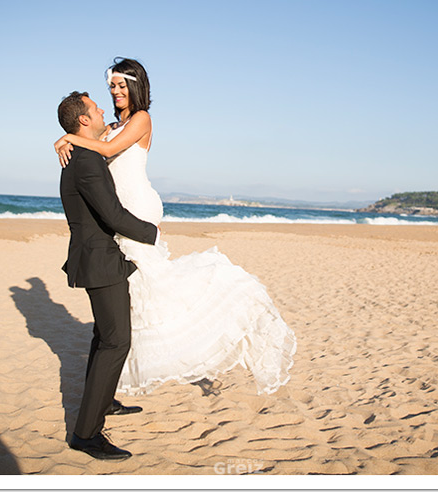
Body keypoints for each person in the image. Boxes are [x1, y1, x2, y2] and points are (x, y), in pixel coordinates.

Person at [54, 58, 296, 397]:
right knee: (136, 298)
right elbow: (96, 143)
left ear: (136, 86)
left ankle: (198, 339)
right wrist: (71, 140)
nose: (116, 92)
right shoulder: (108, 125)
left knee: (156, 290)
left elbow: (106, 150)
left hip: (136, 208)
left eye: (122, 86)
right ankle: (109, 386)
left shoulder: (142, 119)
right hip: (120, 212)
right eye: (112, 87)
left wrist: (68, 138)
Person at [56, 91, 159, 461]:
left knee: (104, 336)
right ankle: (86, 434)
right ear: (84, 120)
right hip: (100, 261)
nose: (103, 108)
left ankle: (105, 402)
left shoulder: (81, 153)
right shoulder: (85, 161)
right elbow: (113, 215)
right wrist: (152, 234)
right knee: (117, 342)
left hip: (98, 257)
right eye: (95, 108)